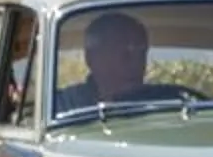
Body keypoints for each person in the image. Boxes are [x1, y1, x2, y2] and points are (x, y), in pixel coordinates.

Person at [52, 10, 191, 114]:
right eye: (122, 52)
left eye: (140, 52)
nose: (134, 63)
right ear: (91, 58)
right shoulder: (63, 107)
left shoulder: (170, 104)